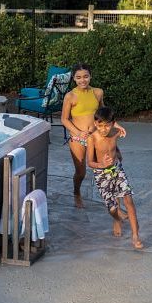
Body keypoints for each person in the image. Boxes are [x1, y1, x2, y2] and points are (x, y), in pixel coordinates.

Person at [61, 63, 125, 208]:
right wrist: (78, 132)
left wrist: (116, 125)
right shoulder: (70, 96)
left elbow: (104, 114)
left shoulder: (98, 92)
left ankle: (114, 201)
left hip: (97, 137)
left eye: (85, 76)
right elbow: (64, 119)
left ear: (90, 76)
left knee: (109, 167)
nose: (82, 80)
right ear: (74, 78)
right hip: (78, 138)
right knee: (81, 172)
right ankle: (77, 193)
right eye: (78, 77)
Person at [87, 107, 143, 249]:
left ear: (113, 123)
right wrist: (102, 164)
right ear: (95, 123)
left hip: (117, 169)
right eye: (100, 125)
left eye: (107, 125)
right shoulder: (92, 138)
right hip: (101, 174)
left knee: (128, 200)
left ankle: (135, 235)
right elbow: (90, 162)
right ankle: (117, 219)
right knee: (112, 209)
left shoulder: (115, 133)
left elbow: (113, 145)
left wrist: (118, 152)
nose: (103, 129)